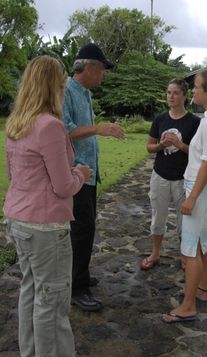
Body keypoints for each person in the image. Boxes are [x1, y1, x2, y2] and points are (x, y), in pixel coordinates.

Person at [3, 56, 92, 357]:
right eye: (61, 81)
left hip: (18, 219)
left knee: (31, 290)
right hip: (44, 226)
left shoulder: (16, 123)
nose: (64, 86)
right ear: (51, 84)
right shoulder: (49, 125)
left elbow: (15, 175)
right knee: (52, 304)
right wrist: (80, 173)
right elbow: (63, 186)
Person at [161, 69, 207, 323]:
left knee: (191, 250)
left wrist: (191, 198)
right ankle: (201, 289)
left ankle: (188, 305)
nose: (193, 91)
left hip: (202, 190)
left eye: (197, 87)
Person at [63, 43, 125, 312]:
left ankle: (81, 276)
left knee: (86, 229)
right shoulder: (66, 90)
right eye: (102, 70)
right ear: (89, 67)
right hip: (75, 174)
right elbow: (64, 130)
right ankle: (77, 288)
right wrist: (99, 128)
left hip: (88, 174)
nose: (104, 76)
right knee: (80, 231)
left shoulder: (85, 93)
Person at [140, 79, 200, 271]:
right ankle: (155, 253)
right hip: (160, 176)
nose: (171, 96)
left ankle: (185, 256)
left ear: (184, 96)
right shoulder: (160, 119)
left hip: (184, 178)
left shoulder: (194, 122)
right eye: (168, 93)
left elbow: (199, 153)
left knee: (185, 221)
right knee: (158, 217)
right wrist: (161, 145)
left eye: (175, 93)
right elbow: (149, 147)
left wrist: (179, 144)